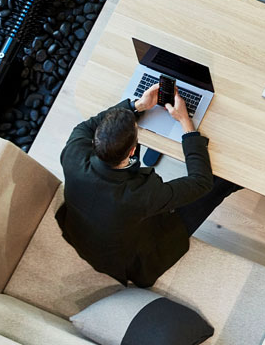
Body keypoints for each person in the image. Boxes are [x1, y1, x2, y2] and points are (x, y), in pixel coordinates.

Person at [57, 86, 239, 287]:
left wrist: (139, 105)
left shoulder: (73, 152)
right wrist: (186, 123)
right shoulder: (140, 196)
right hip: (130, 259)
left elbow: (87, 126)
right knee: (215, 186)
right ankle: (233, 182)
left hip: (85, 230)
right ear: (132, 150)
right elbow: (200, 182)